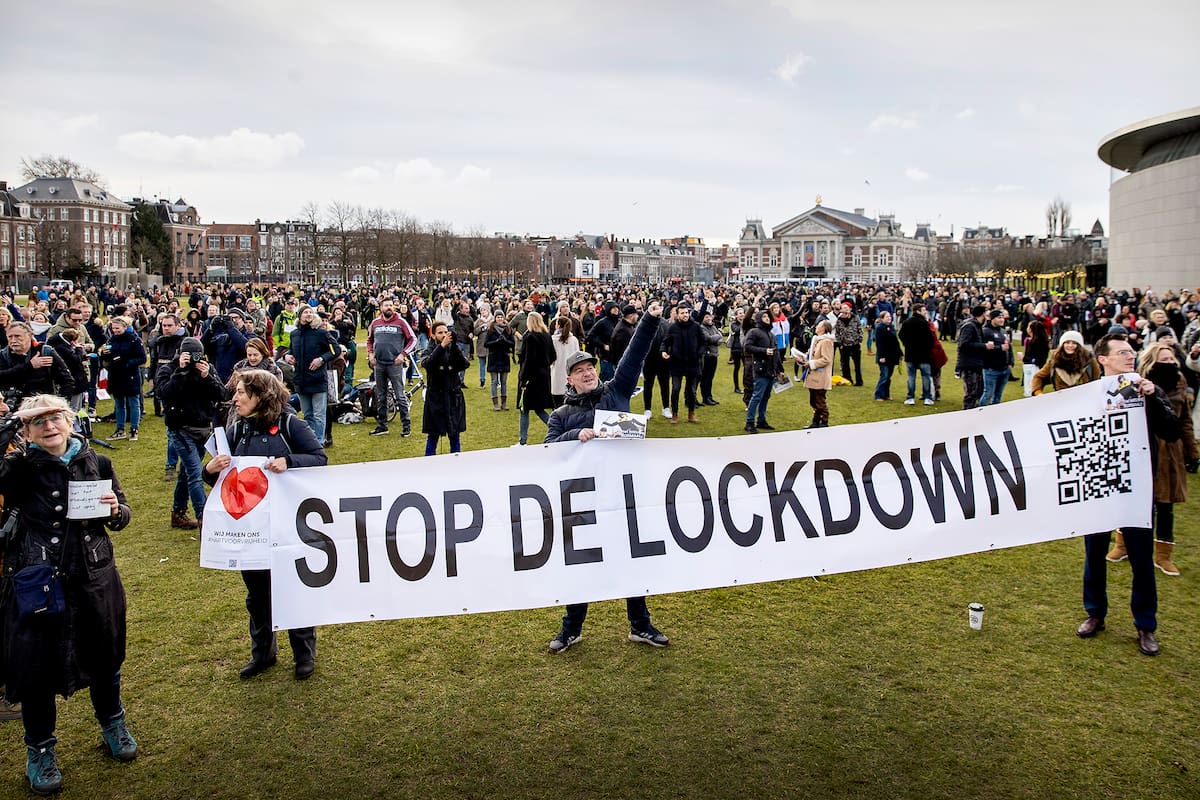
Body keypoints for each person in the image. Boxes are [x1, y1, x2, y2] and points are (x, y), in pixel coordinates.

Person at [0, 394, 136, 794]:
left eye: (55, 417)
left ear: (70, 420)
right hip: (38, 578)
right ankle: (39, 750)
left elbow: (123, 515)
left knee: (105, 655)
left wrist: (115, 511)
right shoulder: (18, 469)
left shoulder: (98, 462)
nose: (49, 426)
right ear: (27, 430)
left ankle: (114, 723)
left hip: (93, 576)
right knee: (35, 668)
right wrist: (10, 421)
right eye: (37, 421)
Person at [544, 301, 668, 653]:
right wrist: (574, 437)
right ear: (569, 379)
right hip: (583, 500)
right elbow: (547, 450)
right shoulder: (562, 415)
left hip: (624, 493)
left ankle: (640, 625)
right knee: (581, 565)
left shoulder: (617, 391)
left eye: (590, 368)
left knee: (631, 558)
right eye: (580, 370)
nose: (588, 373)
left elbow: (635, 354)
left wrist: (650, 319)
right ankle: (571, 629)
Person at [204, 370, 327, 680]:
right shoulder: (236, 429)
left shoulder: (290, 424)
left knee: (292, 589)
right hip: (250, 530)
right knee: (257, 596)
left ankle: (303, 654)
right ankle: (263, 654)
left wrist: (290, 462)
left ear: (260, 395)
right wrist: (210, 469)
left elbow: (319, 458)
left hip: (286, 526)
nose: (235, 398)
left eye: (242, 393)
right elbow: (218, 481)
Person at [1076, 334, 1181, 657]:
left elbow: (1172, 431)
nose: (1129, 357)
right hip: (1098, 483)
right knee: (1095, 552)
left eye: (1132, 352)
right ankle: (1095, 612)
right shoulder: (1087, 392)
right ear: (1102, 359)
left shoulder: (1145, 389)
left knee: (1140, 557)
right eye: (1122, 353)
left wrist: (1154, 398)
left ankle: (1145, 625)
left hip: (1135, 485)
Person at [1136, 342, 1195, 577]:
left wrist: (1192, 451)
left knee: (1166, 505)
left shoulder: (1181, 383)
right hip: (1145, 446)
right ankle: (1123, 544)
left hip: (1170, 451)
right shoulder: (1138, 382)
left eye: (1172, 359)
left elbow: (1185, 421)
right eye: (1164, 359)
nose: (1169, 362)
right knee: (1138, 500)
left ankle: (1163, 555)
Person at [157, 337, 225, 530]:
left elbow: (221, 394)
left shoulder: (206, 368)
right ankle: (204, 517)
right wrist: (180, 371)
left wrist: (207, 377)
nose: (195, 359)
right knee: (195, 472)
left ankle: (177, 512)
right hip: (180, 428)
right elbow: (164, 393)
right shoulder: (169, 369)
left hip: (203, 428)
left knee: (187, 473)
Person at [365, 297, 416, 438]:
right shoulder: (375, 323)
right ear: (381, 307)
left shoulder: (401, 322)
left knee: (400, 396)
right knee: (381, 396)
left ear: (394, 307)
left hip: (395, 364)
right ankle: (382, 426)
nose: (388, 307)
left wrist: (403, 354)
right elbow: (369, 340)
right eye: (385, 305)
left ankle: (406, 426)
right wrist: (370, 354)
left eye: (390, 305)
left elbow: (413, 339)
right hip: (379, 364)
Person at [288, 306, 337, 441]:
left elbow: (335, 350)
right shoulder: (294, 334)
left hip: (317, 380)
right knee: (307, 414)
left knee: (319, 414)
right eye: (305, 312)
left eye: (310, 312)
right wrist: (288, 356)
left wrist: (321, 359)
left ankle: (319, 442)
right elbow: (291, 350)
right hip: (301, 380)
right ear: (300, 316)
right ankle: (310, 441)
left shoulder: (321, 333)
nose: (308, 314)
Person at [421, 321, 469, 455]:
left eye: (445, 332)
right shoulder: (429, 349)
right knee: (433, 436)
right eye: (440, 333)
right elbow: (428, 363)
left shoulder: (453, 349)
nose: (443, 335)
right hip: (436, 399)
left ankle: (456, 464)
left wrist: (453, 347)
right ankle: (429, 464)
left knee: (455, 436)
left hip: (453, 398)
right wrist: (441, 347)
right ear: (433, 335)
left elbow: (464, 364)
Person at [101, 316, 146, 441]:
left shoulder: (134, 339)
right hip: (116, 375)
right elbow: (107, 358)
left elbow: (142, 358)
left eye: (117, 328)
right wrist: (104, 354)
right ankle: (120, 430)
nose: (115, 330)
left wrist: (127, 363)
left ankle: (134, 429)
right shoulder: (111, 340)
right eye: (113, 328)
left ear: (125, 327)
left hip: (130, 375)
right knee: (119, 403)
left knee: (133, 402)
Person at [661, 301, 705, 424]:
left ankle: (691, 413)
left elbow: (703, 342)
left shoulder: (695, 326)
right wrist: (664, 351)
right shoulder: (673, 327)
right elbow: (665, 342)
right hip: (676, 363)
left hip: (692, 363)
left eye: (686, 312)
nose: (685, 315)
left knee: (691, 390)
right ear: (677, 315)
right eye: (682, 313)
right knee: (675, 389)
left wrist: (699, 353)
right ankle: (674, 414)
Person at [516, 312, 555, 446]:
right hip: (544, 376)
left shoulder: (530, 337)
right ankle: (556, 427)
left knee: (524, 408)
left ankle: (523, 441)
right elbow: (553, 356)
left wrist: (523, 379)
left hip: (531, 378)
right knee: (539, 408)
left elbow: (528, 360)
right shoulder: (547, 336)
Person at [1030, 330, 1099, 396]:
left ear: (1079, 345)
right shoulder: (1055, 360)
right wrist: (1038, 393)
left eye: (1074, 343)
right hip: (1061, 402)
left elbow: (1097, 381)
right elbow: (1038, 377)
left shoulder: (1089, 360)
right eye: (1067, 342)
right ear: (1062, 344)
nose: (1070, 345)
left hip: (1084, 401)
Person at [898, 305, 935, 405]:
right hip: (924, 354)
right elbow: (931, 339)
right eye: (923, 310)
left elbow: (901, 335)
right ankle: (927, 397)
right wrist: (928, 348)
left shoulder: (907, 322)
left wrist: (906, 344)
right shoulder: (924, 323)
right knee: (926, 376)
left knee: (911, 377)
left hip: (910, 354)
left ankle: (910, 397)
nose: (925, 312)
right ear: (918, 311)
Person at [803, 319, 835, 428]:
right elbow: (813, 355)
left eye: (819, 325)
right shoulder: (817, 340)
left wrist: (812, 363)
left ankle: (824, 421)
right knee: (814, 400)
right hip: (814, 375)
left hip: (820, 376)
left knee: (819, 400)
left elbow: (826, 359)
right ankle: (816, 421)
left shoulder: (826, 342)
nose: (816, 326)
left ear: (824, 328)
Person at [956, 304, 988, 409]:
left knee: (978, 391)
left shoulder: (977, 326)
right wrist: (984, 346)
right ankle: (967, 413)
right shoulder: (970, 326)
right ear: (982, 314)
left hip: (976, 363)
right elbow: (963, 344)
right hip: (969, 364)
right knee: (971, 392)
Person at [979, 310, 1011, 406]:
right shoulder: (985, 331)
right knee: (988, 393)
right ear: (992, 319)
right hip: (991, 368)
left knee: (998, 394)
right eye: (999, 317)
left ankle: (995, 413)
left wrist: (1010, 362)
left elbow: (1009, 347)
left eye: (1002, 317)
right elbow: (983, 348)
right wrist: (999, 348)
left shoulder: (1003, 331)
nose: (1002, 320)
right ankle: (981, 412)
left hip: (1004, 368)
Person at [484, 316, 516, 411]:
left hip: (504, 357)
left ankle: (504, 403)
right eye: (498, 317)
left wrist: (505, 341)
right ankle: (495, 403)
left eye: (501, 317)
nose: (500, 319)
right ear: (495, 318)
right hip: (494, 357)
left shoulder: (507, 329)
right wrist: (496, 342)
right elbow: (486, 343)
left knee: (504, 382)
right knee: (494, 381)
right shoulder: (491, 329)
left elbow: (512, 343)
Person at [872, 311, 901, 401]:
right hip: (883, 356)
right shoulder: (880, 328)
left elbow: (895, 342)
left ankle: (886, 394)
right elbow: (879, 343)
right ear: (882, 318)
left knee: (888, 376)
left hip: (892, 355)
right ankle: (878, 394)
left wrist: (900, 353)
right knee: (884, 375)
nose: (889, 318)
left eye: (890, 317)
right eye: (887, 317)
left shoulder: (891, 327)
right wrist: (881, 356)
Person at [833, 303, 864, 386]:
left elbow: (860, 329)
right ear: (841, 310)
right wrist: (840, 343)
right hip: (844, 345)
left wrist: (859, 339)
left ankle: (859, 381)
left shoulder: (855, 318)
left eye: (847, 308)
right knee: (845, 364)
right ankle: (847, 379)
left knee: (857, 365)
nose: (846, 309)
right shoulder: (839, 320)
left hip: (855, 344)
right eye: (844, 308)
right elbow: (837, 333)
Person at [698, 310, 723, 406]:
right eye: (706, 317)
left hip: (714, 355)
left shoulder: (713, 326)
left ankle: (709, 396)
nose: (708, 319)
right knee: (705, 378)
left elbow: (720, 339)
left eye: (709, 316)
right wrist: (717, 337)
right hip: (707, 356)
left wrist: (716, 338)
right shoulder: (702, 327)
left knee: (710, 377)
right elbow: (709, 339)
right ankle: (705, 397)